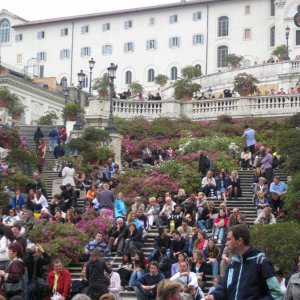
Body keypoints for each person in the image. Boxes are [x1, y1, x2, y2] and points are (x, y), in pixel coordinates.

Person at [204, 224, 282, 300]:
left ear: (239, 241)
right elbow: (223, 287)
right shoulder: (233, 264)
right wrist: (214, 296)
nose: (226, 243)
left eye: (229, 239)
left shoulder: (261, 262)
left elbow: (276, 294)